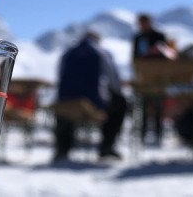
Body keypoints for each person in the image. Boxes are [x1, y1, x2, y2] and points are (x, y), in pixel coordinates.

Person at [53, 32, 128, 162]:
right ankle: (107, 147)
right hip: (93, 103)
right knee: (120, 103)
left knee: (64, 111)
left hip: (66, 104)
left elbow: (59, 76)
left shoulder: (68, 53)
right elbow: (114, 81)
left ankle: (62, 149)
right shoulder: (102, 53)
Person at [131, 13, 175, 144]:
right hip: (144, 78)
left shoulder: (159, 36)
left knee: (158, 107)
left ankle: (158, 135)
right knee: (143, 108)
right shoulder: (138, 38)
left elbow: (166, 55)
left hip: (158, 78)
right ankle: (143, 135)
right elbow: (135, 58)